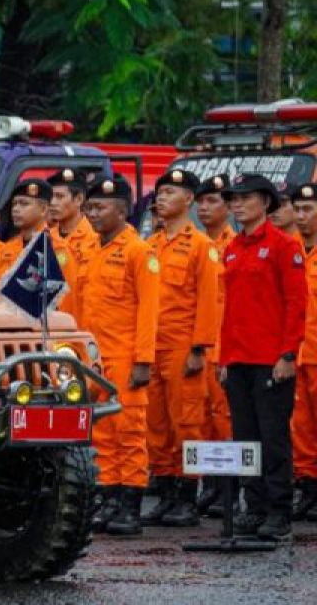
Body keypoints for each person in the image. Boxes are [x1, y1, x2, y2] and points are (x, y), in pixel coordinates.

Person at [220, 173, 306, 540]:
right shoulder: (233, 248)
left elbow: (296, 304)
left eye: (245, 197)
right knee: (245, 439)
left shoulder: (285, 246)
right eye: (233, 199)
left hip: (271, 358)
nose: (237, 204)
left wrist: (288, 353)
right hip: (238, 359)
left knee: (273, 439)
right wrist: (223, 360)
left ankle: (278, 511)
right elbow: (230, 309)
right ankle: (252, 507)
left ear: (266, 203)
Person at [78, 176, 159, 536]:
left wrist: (143, 360)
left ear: (123, 211)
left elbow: (149, 309)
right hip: (95, 358)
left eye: (100, 208)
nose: (92, 214)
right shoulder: (94, 250)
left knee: (129, 431)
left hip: (126, 356)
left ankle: (130, 505)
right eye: (90, 207)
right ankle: (109, 500)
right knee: (102, 433)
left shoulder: (138, 251)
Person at [140, 169, 221, 527]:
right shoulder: (152, 245)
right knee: (156, 425)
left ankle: (189, 494)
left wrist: (199, 348)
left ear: (188, 199)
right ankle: (168, 490)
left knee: (187, 421)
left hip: (182, 345)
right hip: (152, 346)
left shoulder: (202, 246)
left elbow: (209, 301)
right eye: (159, 192)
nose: (161, 198)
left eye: (170, 192)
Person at [193, 173, 236, 515]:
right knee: (201, 419)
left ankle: (228, 490)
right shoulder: (196, 245)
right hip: (198, 344)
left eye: (213, 202)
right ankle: (209, 485)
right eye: (202, 202)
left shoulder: (233, 246)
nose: (205, 208)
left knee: (224, 419)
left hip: (225, 345)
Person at [290, 184, 317, 521]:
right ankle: (308, 488)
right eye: (297, 210)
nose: (301, 216)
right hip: (296, 353)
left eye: (308, 210)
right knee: (301, 427)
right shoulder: (291, 251)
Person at [47, 168, 99, 320]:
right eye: (51, 197)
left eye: (60, 196)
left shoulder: (95, 241)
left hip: (80, 329)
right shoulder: (45, 239)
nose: (53, 203)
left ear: (78, 199)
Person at [0, 180, 55, 276]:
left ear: (43, 210)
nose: (15, 209)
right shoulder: (8, 248)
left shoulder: (55, 247)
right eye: (14, 204)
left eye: (24, 204)